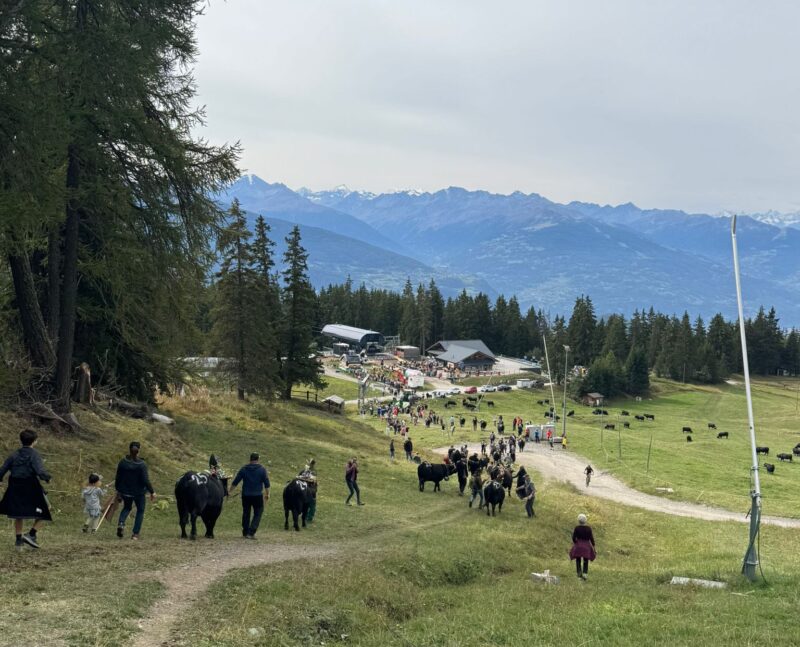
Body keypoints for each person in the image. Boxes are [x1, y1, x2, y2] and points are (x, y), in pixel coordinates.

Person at [0, 429, 52, 549]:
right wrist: (47, 478)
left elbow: (3, 469)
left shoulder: (14, 454)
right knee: (46, 509)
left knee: (19, 514)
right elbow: (39, 471)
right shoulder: (34, 454)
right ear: (34, 441)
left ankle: (19, 541)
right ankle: (31, 535)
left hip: (15, 486)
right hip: (31, 486)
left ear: (21, 440)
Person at [114, 441, 155, 540]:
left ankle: (121, 523)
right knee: (140, 511)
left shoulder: (123, 462)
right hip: (139, 493)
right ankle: (135, 534)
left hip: (125, 492)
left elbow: (118, 477)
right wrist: (152, 491)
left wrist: (118, 489)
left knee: (126, 508)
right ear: (139, 450)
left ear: (129, 449)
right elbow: (145, 480)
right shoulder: (141, 464)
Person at [231, 452, 271, 538]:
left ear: (250, 459)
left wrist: (230, 491)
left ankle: (245, 531)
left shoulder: (244, 469)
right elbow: (267, 484)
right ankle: (251, 532)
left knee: (246, 512)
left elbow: (235, 482)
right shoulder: (262, 469)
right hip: (257, 495)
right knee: (258, 512)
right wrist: (268, 494)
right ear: (258, 459)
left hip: (246, 495)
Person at [569, 513, 596, 580]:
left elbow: (573, 537)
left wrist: (576, 543)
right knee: (585, 560)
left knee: (578, 560)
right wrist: (593, 545)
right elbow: (591, 538)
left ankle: (579, 574)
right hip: (586, 546)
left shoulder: (577, 528)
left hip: (579, 546)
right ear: (585, 520)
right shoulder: (588, 528)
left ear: (578, 520)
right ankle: (585, 574)